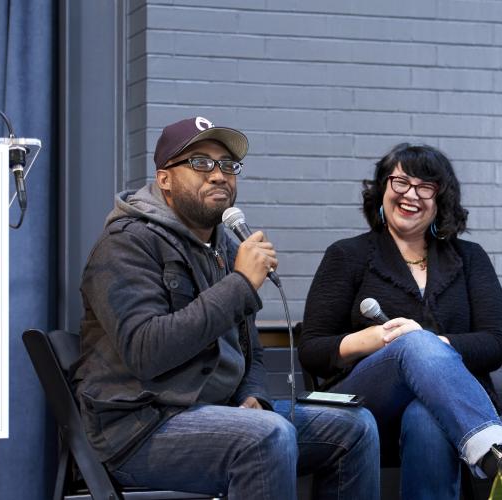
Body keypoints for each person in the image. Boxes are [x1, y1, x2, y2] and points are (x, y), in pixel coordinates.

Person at [72, 116, 379, 499]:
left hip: (220, 411)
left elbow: (251, 351)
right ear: (164, 179)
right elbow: (146, 351)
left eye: (228, 165)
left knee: (355, 427)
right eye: (200, 163)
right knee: (266, 435)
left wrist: (253, 396)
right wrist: (241, 284)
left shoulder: (227, 246)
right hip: (142, 426)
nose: (219, 175)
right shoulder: (127, 243)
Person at [299, 143, 502, 499]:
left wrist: (431, 345)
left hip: (449, 407)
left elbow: (493, 344)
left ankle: (497, 459)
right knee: (413, 341)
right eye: (400, 182)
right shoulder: (347, 255)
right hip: (365, 401)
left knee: (426, 415)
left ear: (441, 199)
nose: (411, 195)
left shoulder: (470, 258)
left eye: (425, 187)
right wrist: (382, 338)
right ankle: (501, 461)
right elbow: (313, 349)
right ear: (383, 188)